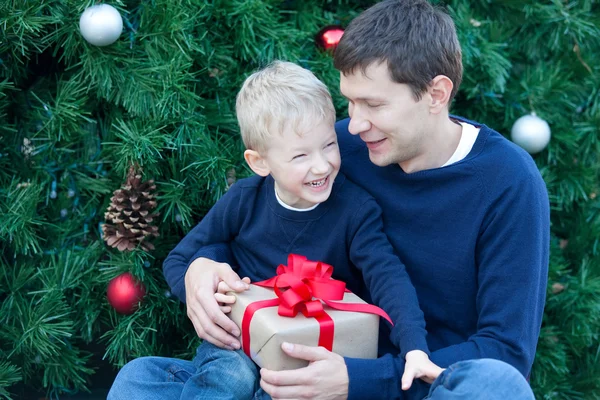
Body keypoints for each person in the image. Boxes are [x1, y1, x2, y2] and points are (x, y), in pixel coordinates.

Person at [111, 0, 550, 399]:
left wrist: (361, 380)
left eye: (373, 105)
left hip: (420, 385)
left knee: (496, 388)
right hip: (305, 370)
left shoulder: (507, 183)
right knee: (139, 380)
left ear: (436, 94)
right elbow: (258, 221)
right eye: (349, 103)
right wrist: (201, 266)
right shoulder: (336, 153)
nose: (354, 125)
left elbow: (504, 351)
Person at [108, 60, 443, 400]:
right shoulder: (244, 199)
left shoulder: (355, 210)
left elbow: (388, 278)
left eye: (329, 145)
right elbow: (179, 260)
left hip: (306, 345)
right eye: (300, 156)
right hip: (237, 343)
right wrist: (202, 300)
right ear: (260, 162)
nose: (321, 165)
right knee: (221, 378)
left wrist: (415, 348)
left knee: (282, 392)